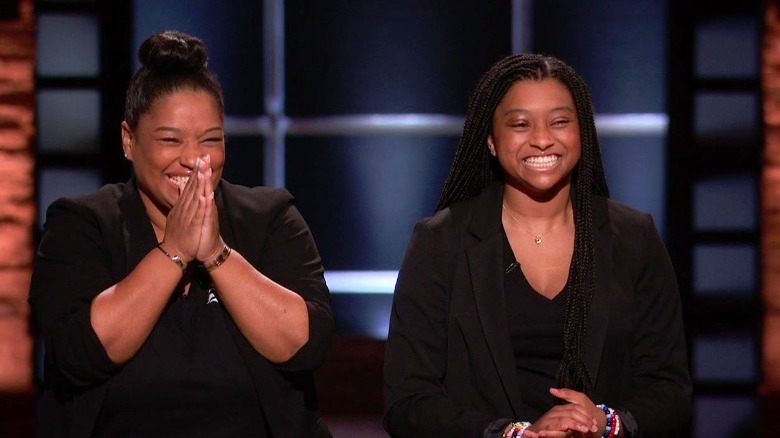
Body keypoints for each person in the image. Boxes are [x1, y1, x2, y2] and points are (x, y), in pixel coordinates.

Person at [28, 30, 333, 437]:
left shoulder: (271, 217)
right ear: (128, 140)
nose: (193, 159)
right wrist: (174, 249)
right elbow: (80, 353)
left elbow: (304, 345)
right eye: (170, 140)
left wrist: (215, 253)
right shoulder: (81, 224)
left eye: (211, 140)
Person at [383, 54, 691, 437]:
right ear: (492, 141)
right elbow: (408, 402)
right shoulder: (441, 242)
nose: (543, 139)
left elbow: (671, 390)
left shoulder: (633, 237)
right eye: (520, 124)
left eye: (560, 122)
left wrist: (606, 422)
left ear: (583, 134)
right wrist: (512, 434)